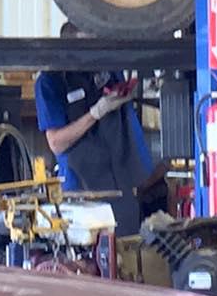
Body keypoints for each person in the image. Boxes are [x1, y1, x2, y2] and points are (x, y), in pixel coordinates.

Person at [35, 22, 153, 235]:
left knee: (128, 254)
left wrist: (124, 93)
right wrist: (95, 113)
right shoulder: (50, 81)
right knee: (89, 259)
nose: (94, 53)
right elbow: (56, 143)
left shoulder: (106, 67)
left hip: (120, 187)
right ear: (69, 47)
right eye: (88, 46)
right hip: (81, 194)